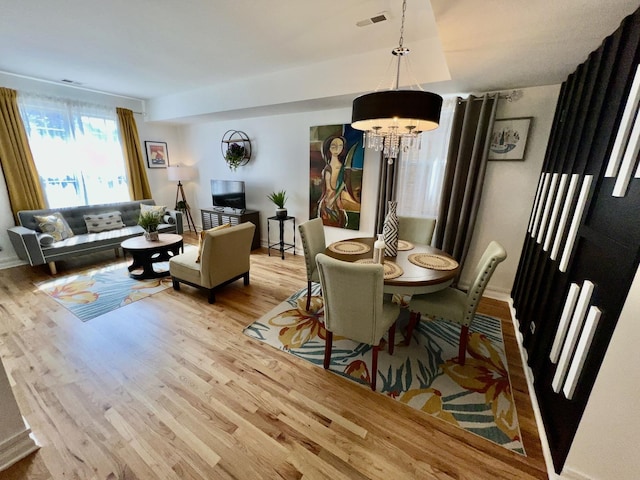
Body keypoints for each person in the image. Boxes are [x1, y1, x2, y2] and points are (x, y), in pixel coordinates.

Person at [317, 135, 358, 227]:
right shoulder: (327, 169)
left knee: (340, 223)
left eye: (340, 146)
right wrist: (330, 202)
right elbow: (328, 190)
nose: (337, 149)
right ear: (328, 148)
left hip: (337, 204)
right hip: (327, 204)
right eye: (333, 146)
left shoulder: (343, 169)